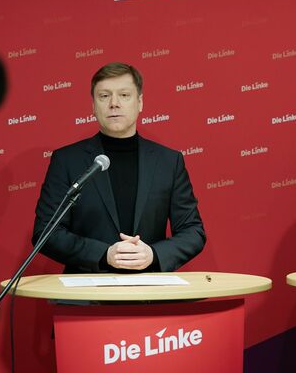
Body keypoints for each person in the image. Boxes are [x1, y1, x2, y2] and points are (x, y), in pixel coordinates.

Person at [32, 62, 205, 273]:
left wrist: (153, 254)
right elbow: (46, 232)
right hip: (85, 293)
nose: (114, 103)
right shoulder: (67, 160)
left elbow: (192, 231)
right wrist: (104, 254)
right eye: (104, 96)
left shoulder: (169, 161)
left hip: (150, 293)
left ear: (140, 102)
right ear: (93, 106)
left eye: (124, 95)